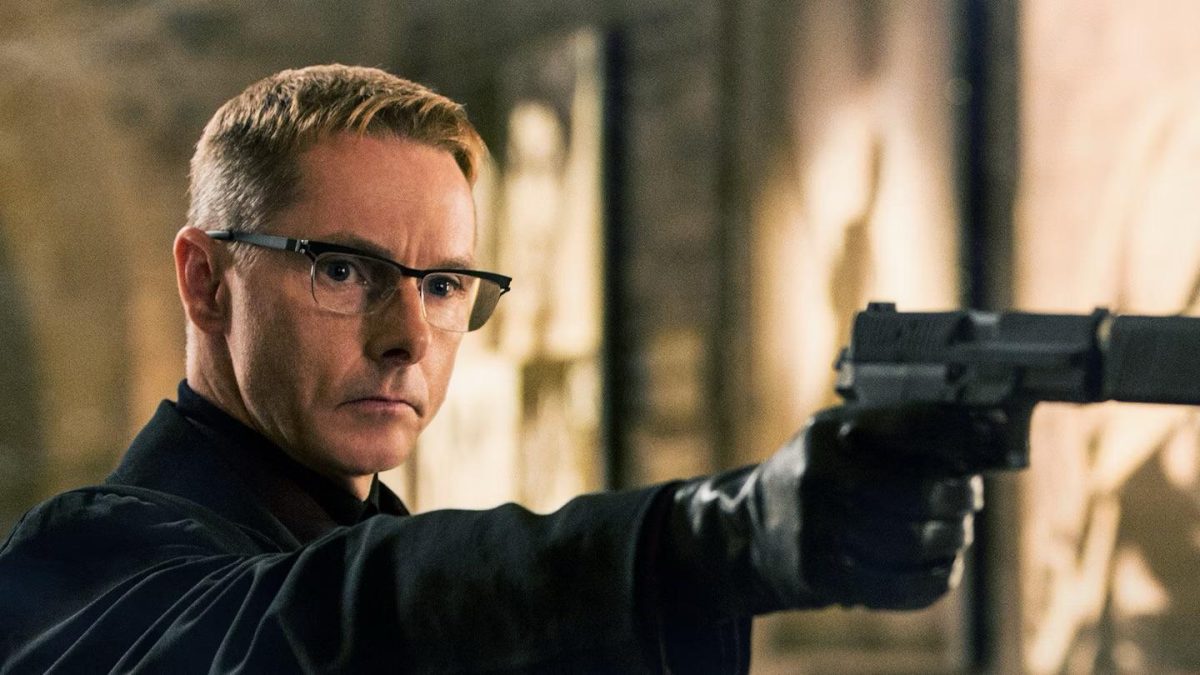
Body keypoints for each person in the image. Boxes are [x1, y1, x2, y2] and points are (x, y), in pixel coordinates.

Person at [0, 65, 989, 673]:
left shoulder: (361, 547)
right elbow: (323, 631)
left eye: (443, 285)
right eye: (343, 270)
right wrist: (717, 536)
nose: (408, 337)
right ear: (207, 282)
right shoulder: (84, 562)